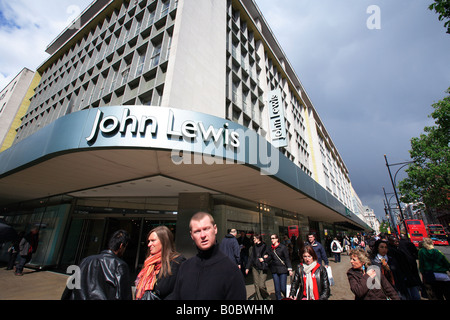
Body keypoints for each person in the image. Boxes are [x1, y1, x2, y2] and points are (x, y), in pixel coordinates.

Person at [171, 212, 246, 300]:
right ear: (192, 235)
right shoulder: (184, 268)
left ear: (215, 229)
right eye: (197, 231)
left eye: (206, 229)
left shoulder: (231, 271)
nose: (203, 235)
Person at [61, 229, 132, 300]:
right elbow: (123, 295)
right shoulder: (120, 266)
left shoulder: (85, 261)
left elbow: (69, 289)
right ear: (121, 246)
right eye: (125, 247)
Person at [135, 226, 186, 300]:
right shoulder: (149, 262)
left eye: (153, 240)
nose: (149, 244)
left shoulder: (176, 262)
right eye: (149, 241)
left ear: (164, 241)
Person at [245, 234, 270, 300]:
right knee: (256, 285)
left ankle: (267, 297)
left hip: (263, 267)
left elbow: (270, 256)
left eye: (254, 239)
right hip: (255, 267)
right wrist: (247, 267)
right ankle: (260, 299)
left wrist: (265, 259)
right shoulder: (254, 247)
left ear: (258, 239)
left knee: (261, 285)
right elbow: (251, 258)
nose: (253, 240)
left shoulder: (265, 247)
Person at [269, 233, 293, 300]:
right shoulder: (271, 248)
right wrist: (264, 258)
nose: (271, 240)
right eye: (271, 238)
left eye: (273, 238)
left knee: (283, 288)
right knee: (277, 289)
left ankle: (287, 297)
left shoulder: (283, 247)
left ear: (277, 239)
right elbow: (270, 257)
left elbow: (287, 258)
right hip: (274, 270)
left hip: (282, 269)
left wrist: (290, 268)